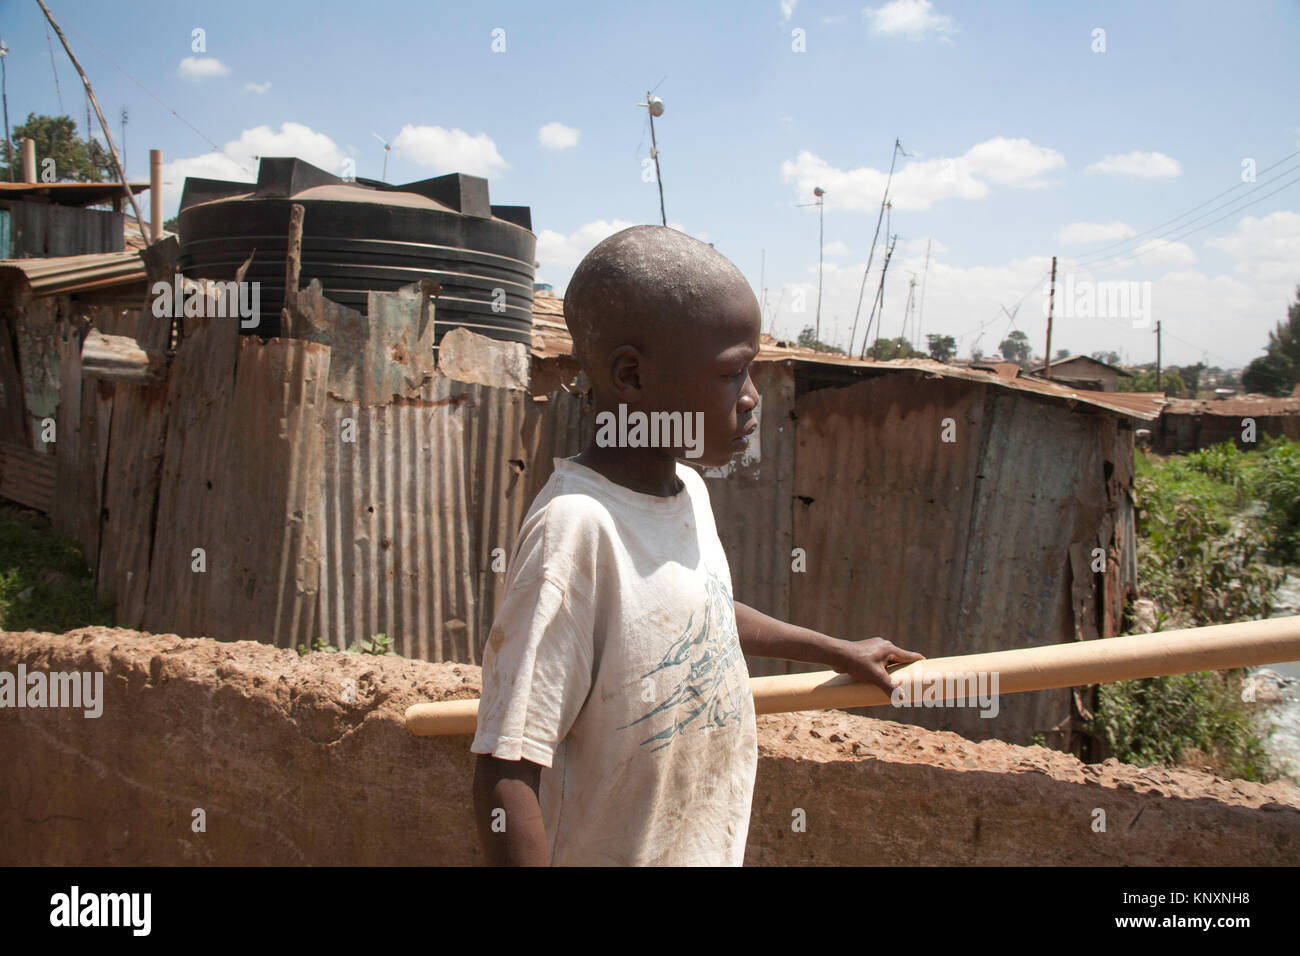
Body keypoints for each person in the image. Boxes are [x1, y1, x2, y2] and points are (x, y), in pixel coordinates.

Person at [471, 225, 923, 865]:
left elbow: (697, 614)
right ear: (631, 375)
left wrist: (835, 650)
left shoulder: (686, 490)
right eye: (730, 373)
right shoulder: (577, 528)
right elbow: (504, 767)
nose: (751, 399)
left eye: (753, 371)